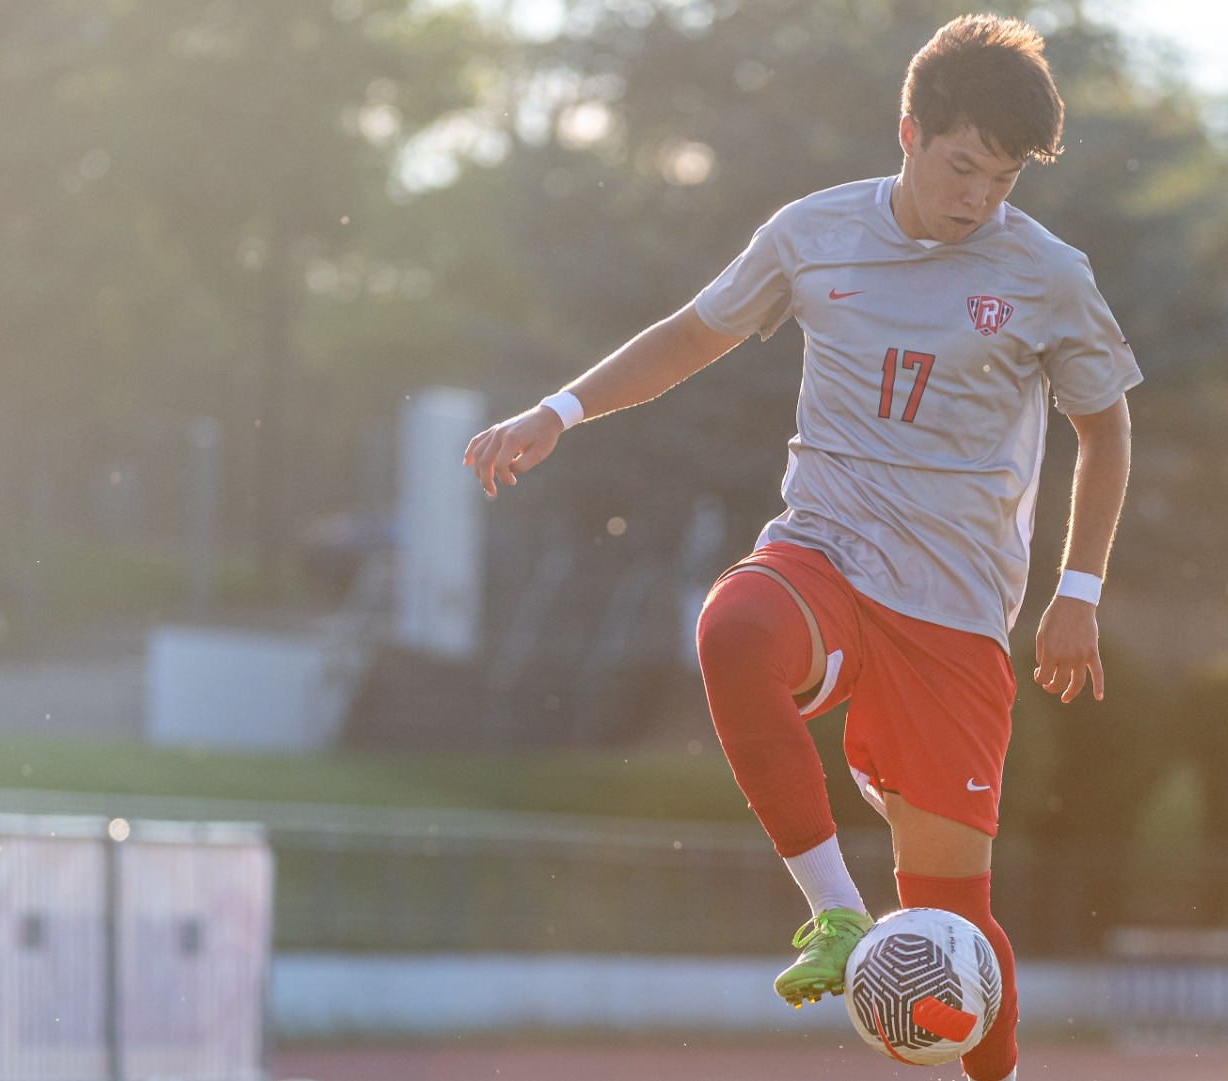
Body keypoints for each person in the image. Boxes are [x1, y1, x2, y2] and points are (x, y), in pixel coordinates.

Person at [462, 16, 1138, 1081]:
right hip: (825, 550)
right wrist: (560, 409)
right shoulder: (812, 233)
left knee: (955, 931)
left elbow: (1105, 427)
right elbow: (693, 333)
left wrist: (1079, 588)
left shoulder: (1048, 274)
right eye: (962, 167)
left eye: (1003, 180)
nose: (978, 198)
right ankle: (835, 916)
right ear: (909, 132)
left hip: (954, 612)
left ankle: (996, 1068)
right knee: (734, 629)